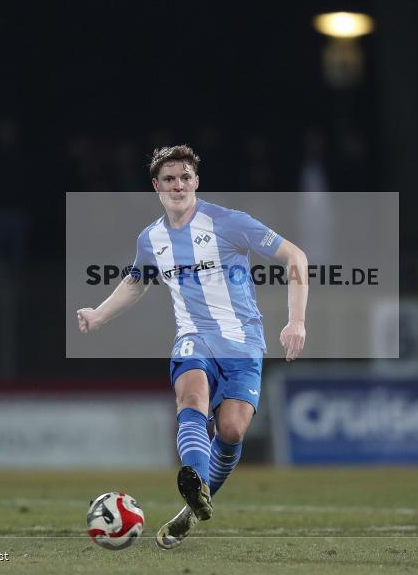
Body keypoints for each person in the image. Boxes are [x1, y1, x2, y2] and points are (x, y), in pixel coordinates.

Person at [76, 145, 308, 549]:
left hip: (243, 342)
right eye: (169, 179)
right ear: (156, 186)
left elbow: (295, 256)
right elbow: (136, 283)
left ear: (196, 181)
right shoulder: (151, 238)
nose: (178, 185)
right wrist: (98, 314)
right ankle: (194, 477)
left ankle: (193, 507)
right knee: (192, 395)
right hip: (193, 338)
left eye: (185, 177)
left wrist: (297, 321)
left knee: (232, 431)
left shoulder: (230, 223)